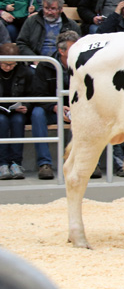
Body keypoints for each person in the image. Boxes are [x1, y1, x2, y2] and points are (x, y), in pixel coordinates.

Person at [29, 30, 80, 180]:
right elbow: (37, 95)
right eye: (73, 48)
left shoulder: (85, 64)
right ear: (61, 51)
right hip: (51, 108)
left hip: (76, 107)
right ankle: (44, 164)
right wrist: (55, 107)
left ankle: (79, 162)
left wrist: (75, 107)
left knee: (88, 115)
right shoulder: (45, 65)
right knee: (37, 114)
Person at [0, 41, 33, 179]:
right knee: (1, 121)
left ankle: (15, 163)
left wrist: (26, 105)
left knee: (18, 121)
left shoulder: (25, 72)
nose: (8, 67)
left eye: (12, 64)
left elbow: (32, 93)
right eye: (5, 64)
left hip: (17, 110)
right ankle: (2, 164)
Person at [16, 0, 80, 57]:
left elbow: (78, 46)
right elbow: (21, 43)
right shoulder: (31, 21)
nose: (49, 12)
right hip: (36, 61)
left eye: (53, 9)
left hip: (62, 62)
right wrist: (33, 58)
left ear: (61, 9)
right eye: (46, 8)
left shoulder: (71, 25)